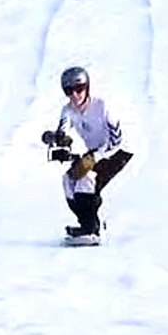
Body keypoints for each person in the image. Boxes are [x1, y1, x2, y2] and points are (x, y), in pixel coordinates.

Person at [50, 66, 133, 238]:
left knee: (86, 178)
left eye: (79, 89)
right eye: (69, 90)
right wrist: (59, 143)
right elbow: (63, 132)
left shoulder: (102, 106)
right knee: (69, 180)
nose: (75, 95)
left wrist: (95, 156)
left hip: (119, 151)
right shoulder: (68, 111)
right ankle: (86, 224)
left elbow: (117, 139)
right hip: (96, 153)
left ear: (87, 88)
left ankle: (93, 229)